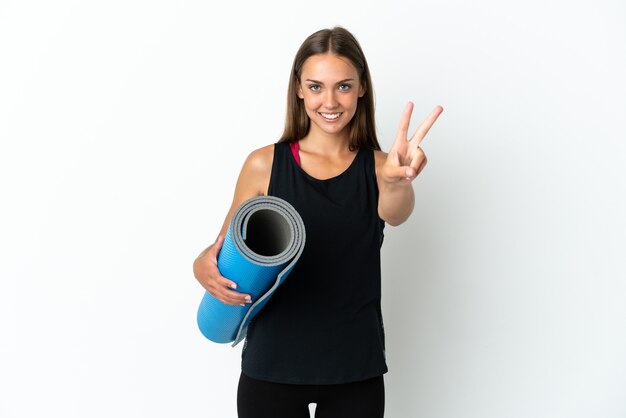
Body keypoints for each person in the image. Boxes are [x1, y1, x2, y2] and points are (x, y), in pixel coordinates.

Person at [193, 26, 443, 418]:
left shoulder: (381, 168)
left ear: (362, 88)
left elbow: (397, 213)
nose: (330, 101)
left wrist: (399, 180)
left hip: (353, 370)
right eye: (316, 87)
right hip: (271, 366)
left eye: (343, 86)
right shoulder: (263, 164)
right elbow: (223, 250)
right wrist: (200, 268)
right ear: (298, 89)